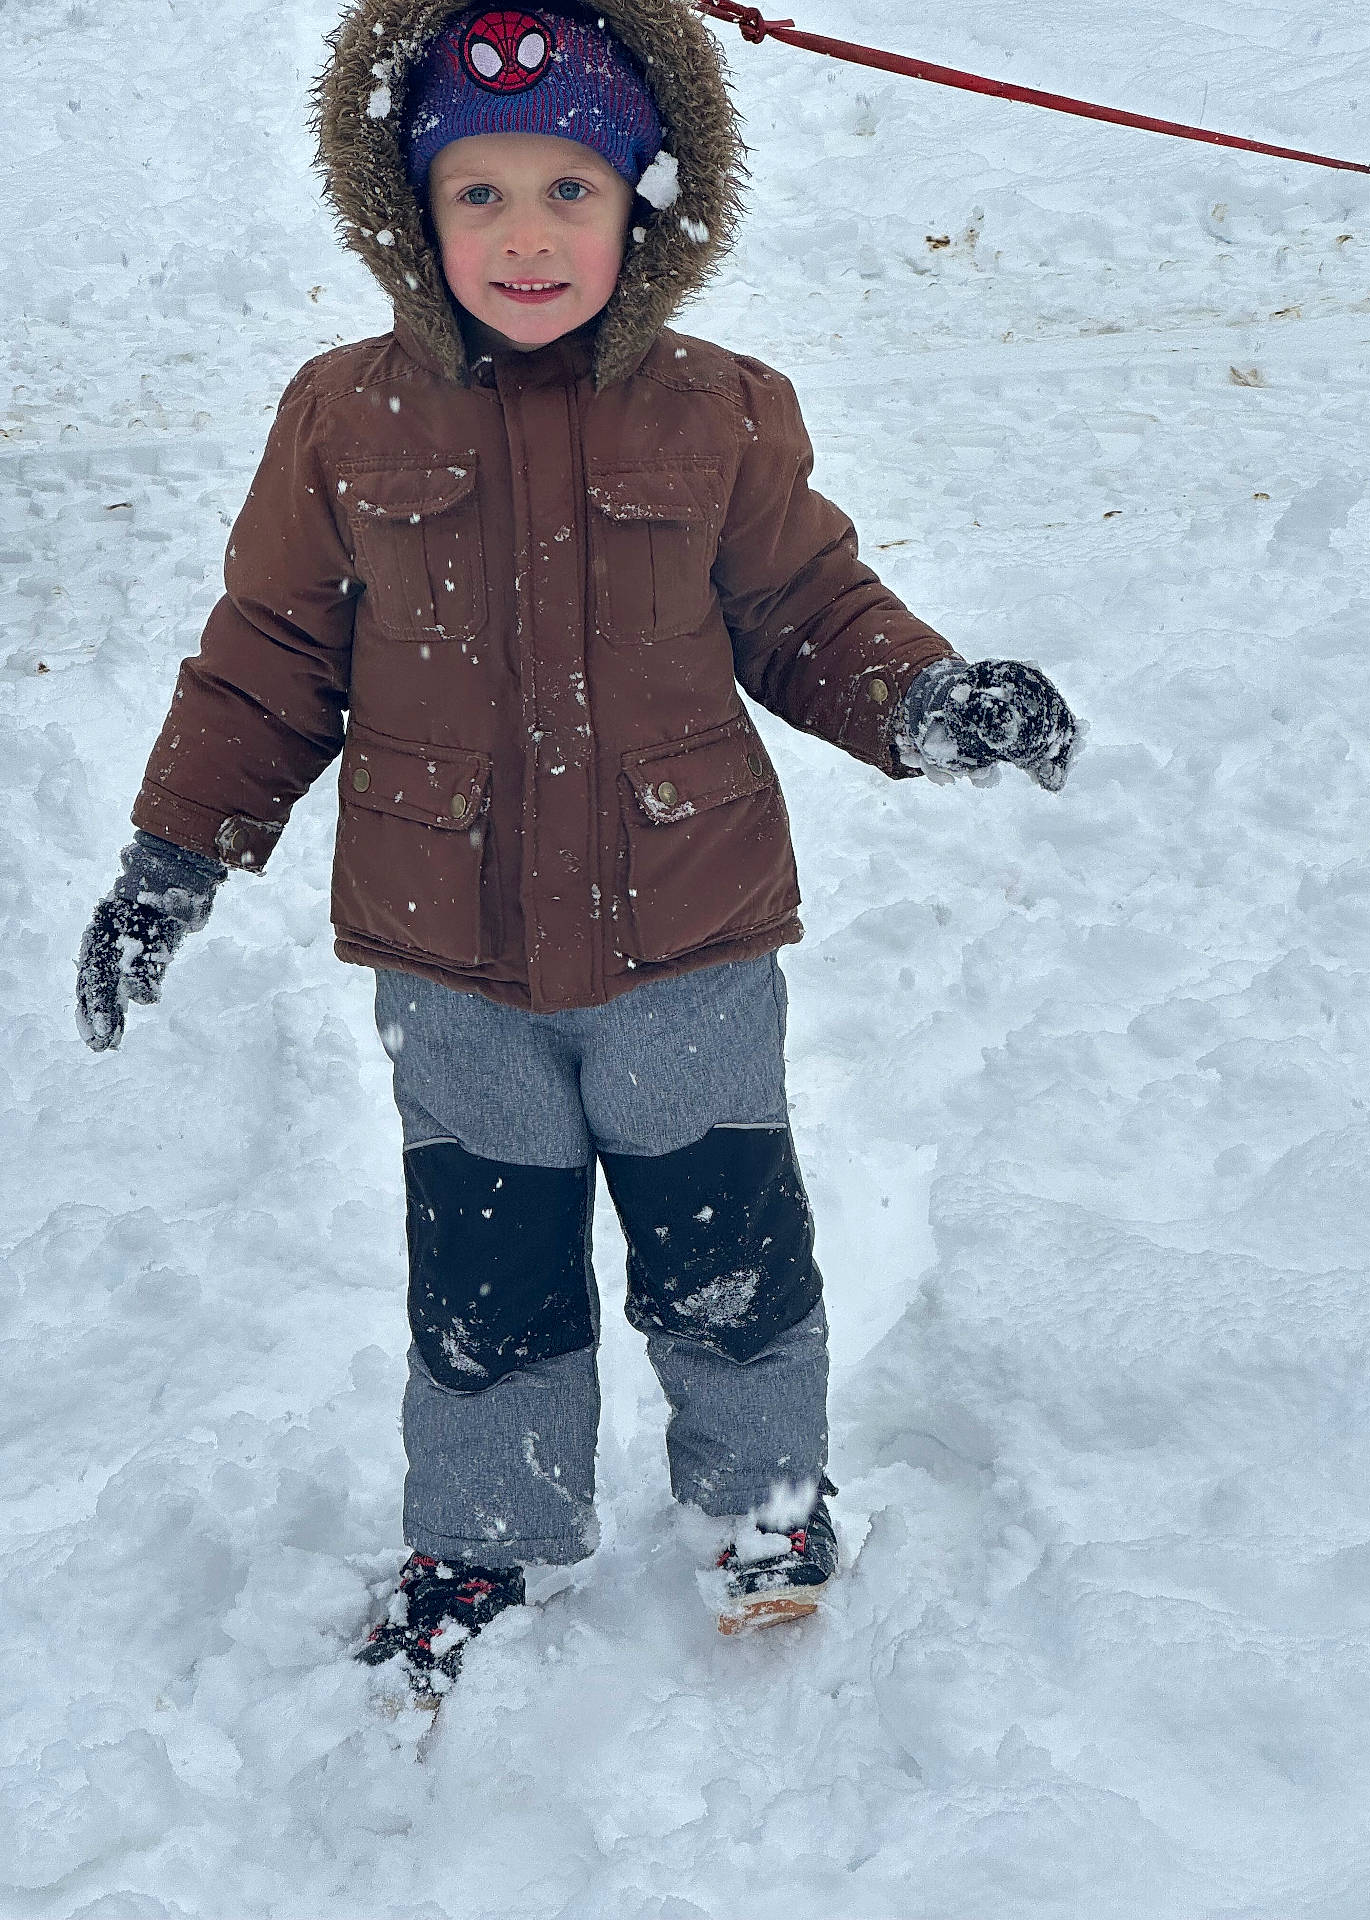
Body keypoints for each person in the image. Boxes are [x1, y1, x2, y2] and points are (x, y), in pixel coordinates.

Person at [75, 0, 1078, 1701]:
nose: (527, 237)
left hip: (687, 931)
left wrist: (926, 700)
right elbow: (269, 655)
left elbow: (810, 612)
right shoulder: (341, 419)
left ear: (649, 204)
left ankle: (761, 1498)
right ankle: (491, 1531)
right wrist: (175, 854)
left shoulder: (724, 414)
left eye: (571, 191)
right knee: (484, 1267)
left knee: (726, 1245)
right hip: (445, 949)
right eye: (480, 197)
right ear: (412, 212)